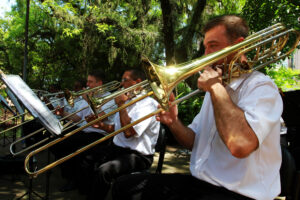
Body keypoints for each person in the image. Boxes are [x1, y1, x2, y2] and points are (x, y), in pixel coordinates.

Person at [111, 15, 283, 200]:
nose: (206, 55)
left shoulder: (261, 87)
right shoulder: (217, 88)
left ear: (239, 46)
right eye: (206, 47)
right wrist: (173, 122)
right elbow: (193, 141)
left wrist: (216, 88)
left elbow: (240, 145)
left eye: (213, 46)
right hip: (201, 183)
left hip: (239, 193)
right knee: (125, 186)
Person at [78, 69, 160, 200]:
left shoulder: (148, 104)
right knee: (88, 157)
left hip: (138, 156)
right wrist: (101, 125)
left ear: (138, 82)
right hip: (118, 149)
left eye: (125, 80)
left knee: (104, 171)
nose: (121, 84)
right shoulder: (127, 101)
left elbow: (128, 133)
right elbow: (117, 128)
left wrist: (121, 105)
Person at [51, 72, 116, 192]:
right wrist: (62, 113)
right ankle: (71, 177)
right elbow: (76, 118)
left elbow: (102, 117)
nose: (87, 84)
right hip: (85, 132)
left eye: (90, 82)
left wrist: (89, 101)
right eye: (87, 82)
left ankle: (80, 183)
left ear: (99, 84)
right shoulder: (86, 98)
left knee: (78, 151)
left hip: (100, 134)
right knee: (58, 143)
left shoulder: (110, 98)